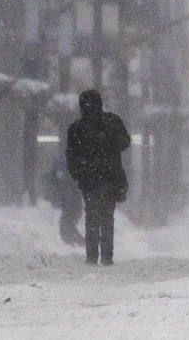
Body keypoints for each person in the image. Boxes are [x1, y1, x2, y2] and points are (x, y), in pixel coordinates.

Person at [66, 89, 130, 266]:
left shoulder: (77, 128)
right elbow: (124, 142)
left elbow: (71, 155)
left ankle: (93, 256)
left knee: (93, 217)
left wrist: (78, 172)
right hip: (106, 176)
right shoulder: (111, 122)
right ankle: (105, 256)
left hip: (93, 178)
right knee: (105, 217)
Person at [44, 158, 84, 246]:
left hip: (72, 204)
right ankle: (73, 242)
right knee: (66, 224)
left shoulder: (63, 174)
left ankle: (78, 242)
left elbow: (58, 181)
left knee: (66, 224)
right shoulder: (67, 175)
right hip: (72, 204)